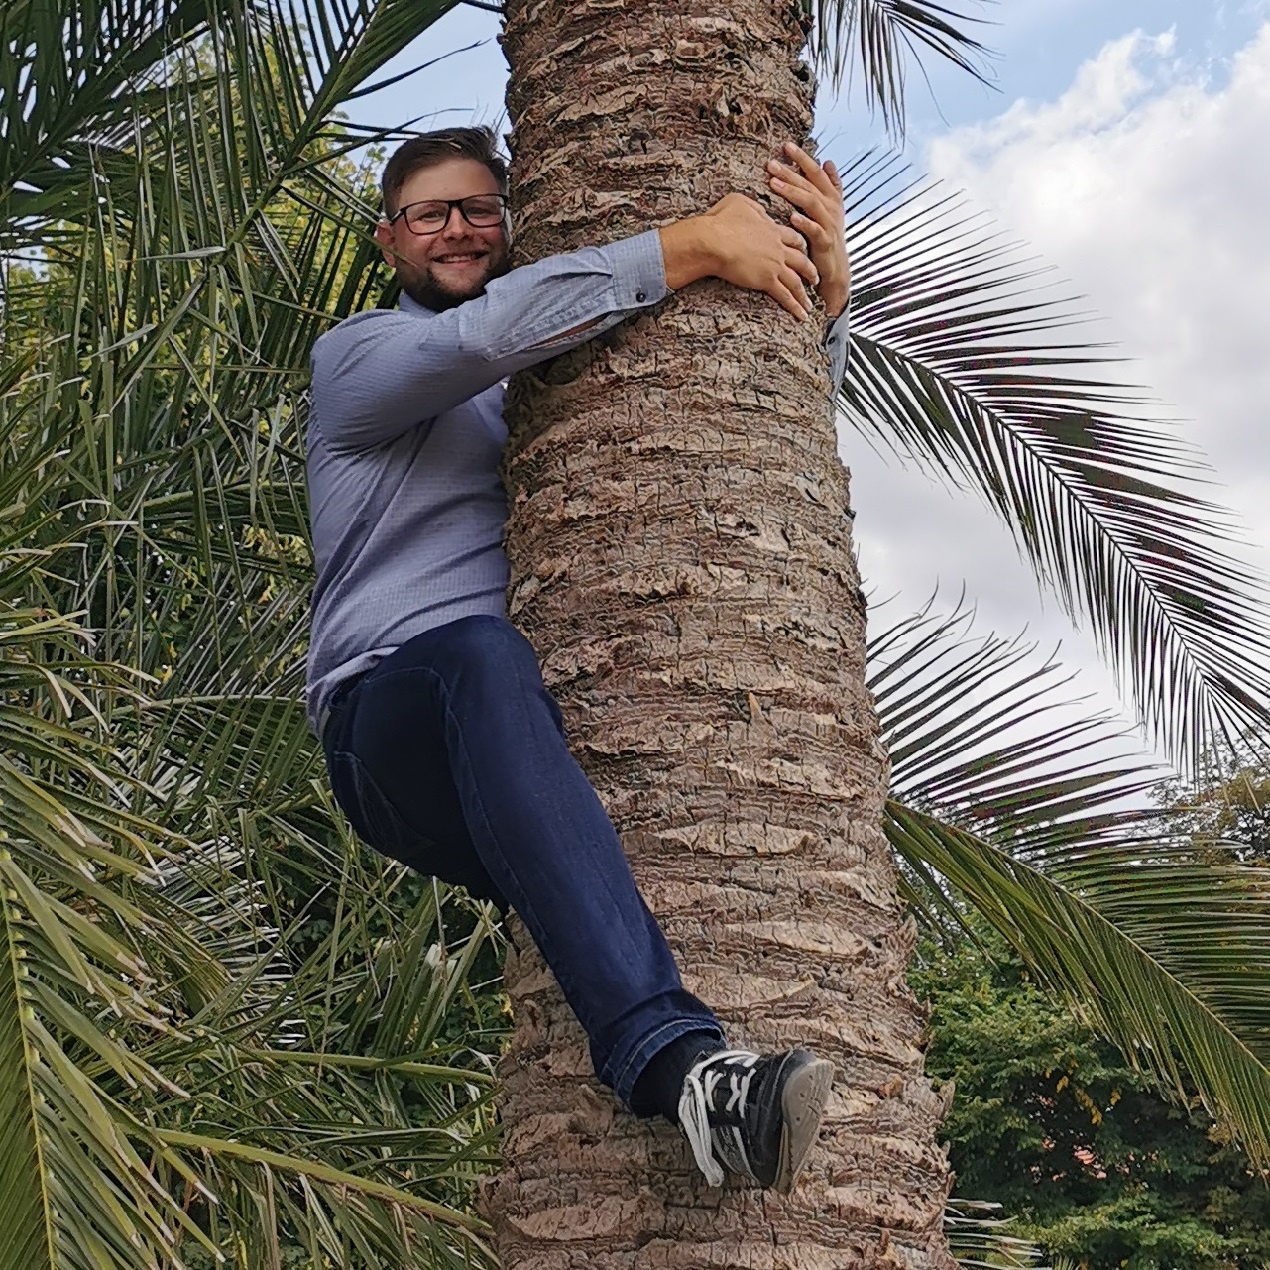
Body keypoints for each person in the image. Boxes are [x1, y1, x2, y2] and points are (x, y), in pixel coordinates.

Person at [305, 126, 851, 1194]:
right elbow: (474, 341)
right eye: (431, 212)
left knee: (498, 671)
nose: (460, 228)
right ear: (389, 239)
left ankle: (691, 1051)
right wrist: (686, 244)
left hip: (527, 743)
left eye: (480, 208)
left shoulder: (562, 387)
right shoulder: (360, 359)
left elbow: (747, 452)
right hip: (390, 728)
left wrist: (821, 304)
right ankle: (677, 1066)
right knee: (475, 653)